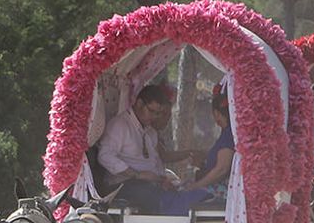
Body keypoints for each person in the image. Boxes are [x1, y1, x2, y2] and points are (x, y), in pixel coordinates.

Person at [95, 82, 193, 213]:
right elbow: (105, 156)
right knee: (154, 195)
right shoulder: (120, 125)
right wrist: (136, 174)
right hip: (121, 186)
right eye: (151, 111)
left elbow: (155, 162)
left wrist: (162, 180)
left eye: (157, 113)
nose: (154, 117)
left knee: (179, 192)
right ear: (139, 104)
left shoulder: (150, 131)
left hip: (149, 184)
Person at [158, 85, 234, 215]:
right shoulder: (226, 134)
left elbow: (221, 169)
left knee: (180, 199)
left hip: (220, 192)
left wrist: (196, 185)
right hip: (212, 187)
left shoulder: (228, 136)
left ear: (216, 113)